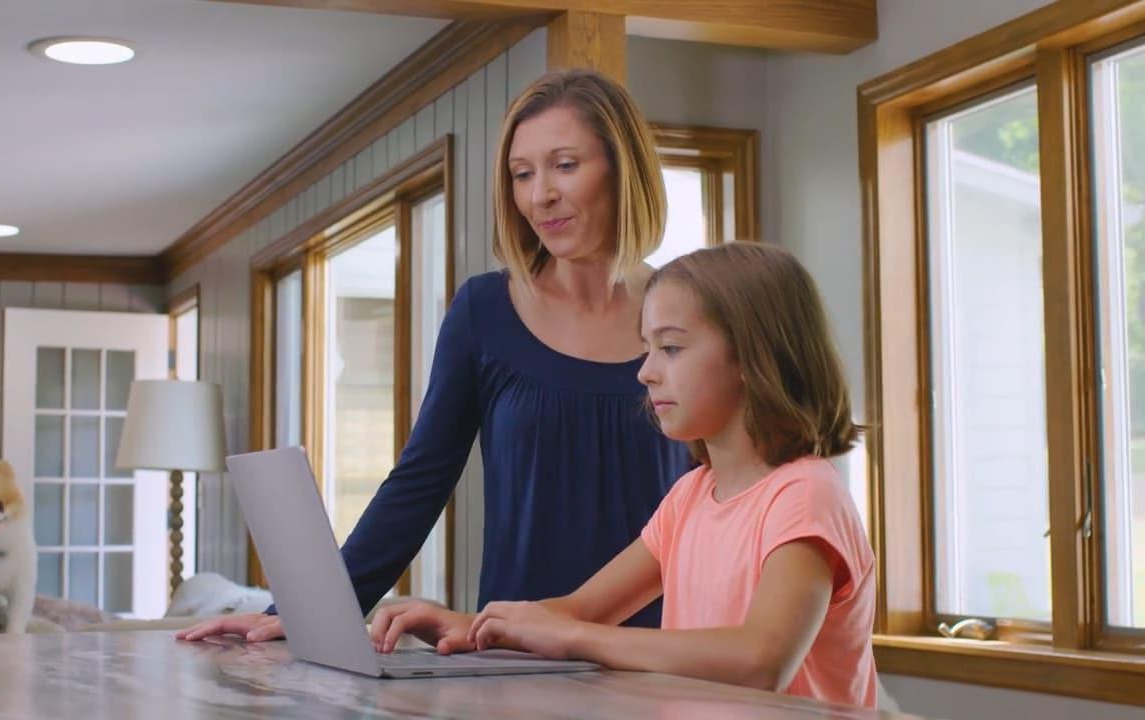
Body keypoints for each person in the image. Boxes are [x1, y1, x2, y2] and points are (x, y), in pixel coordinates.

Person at [178, 68, 693, 646]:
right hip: (513, 662)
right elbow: (419, 481)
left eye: (565, 166)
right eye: (522, 174)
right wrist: (296, 613)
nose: (539, 194)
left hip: (658, 657)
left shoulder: (693, 311)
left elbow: (724, 492)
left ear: (623, 170)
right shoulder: (485, 311)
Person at [373, 243, 877, 708]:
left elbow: (760, 660)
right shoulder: (690, 497)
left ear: (753, 356)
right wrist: (473, 626)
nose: (645, 372)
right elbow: (581, 610)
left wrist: (572, 639)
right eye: (647, 348)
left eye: (672, 349)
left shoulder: (805, 495)